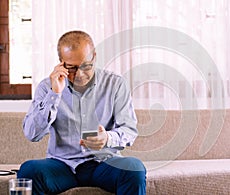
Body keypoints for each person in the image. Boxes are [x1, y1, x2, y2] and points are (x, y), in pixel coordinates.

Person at [18, 30, 146, 195]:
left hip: (103, 163)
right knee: (29, 170)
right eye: (71, 68)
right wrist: (54, 94)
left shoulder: (115, 84)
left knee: (134, 168)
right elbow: (31, 134)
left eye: (85, 65)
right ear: (61, 64)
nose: (79, 74)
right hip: (62, 165)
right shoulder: (47, 87)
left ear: (94, 56)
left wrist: (107, 138)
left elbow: (129, 130)